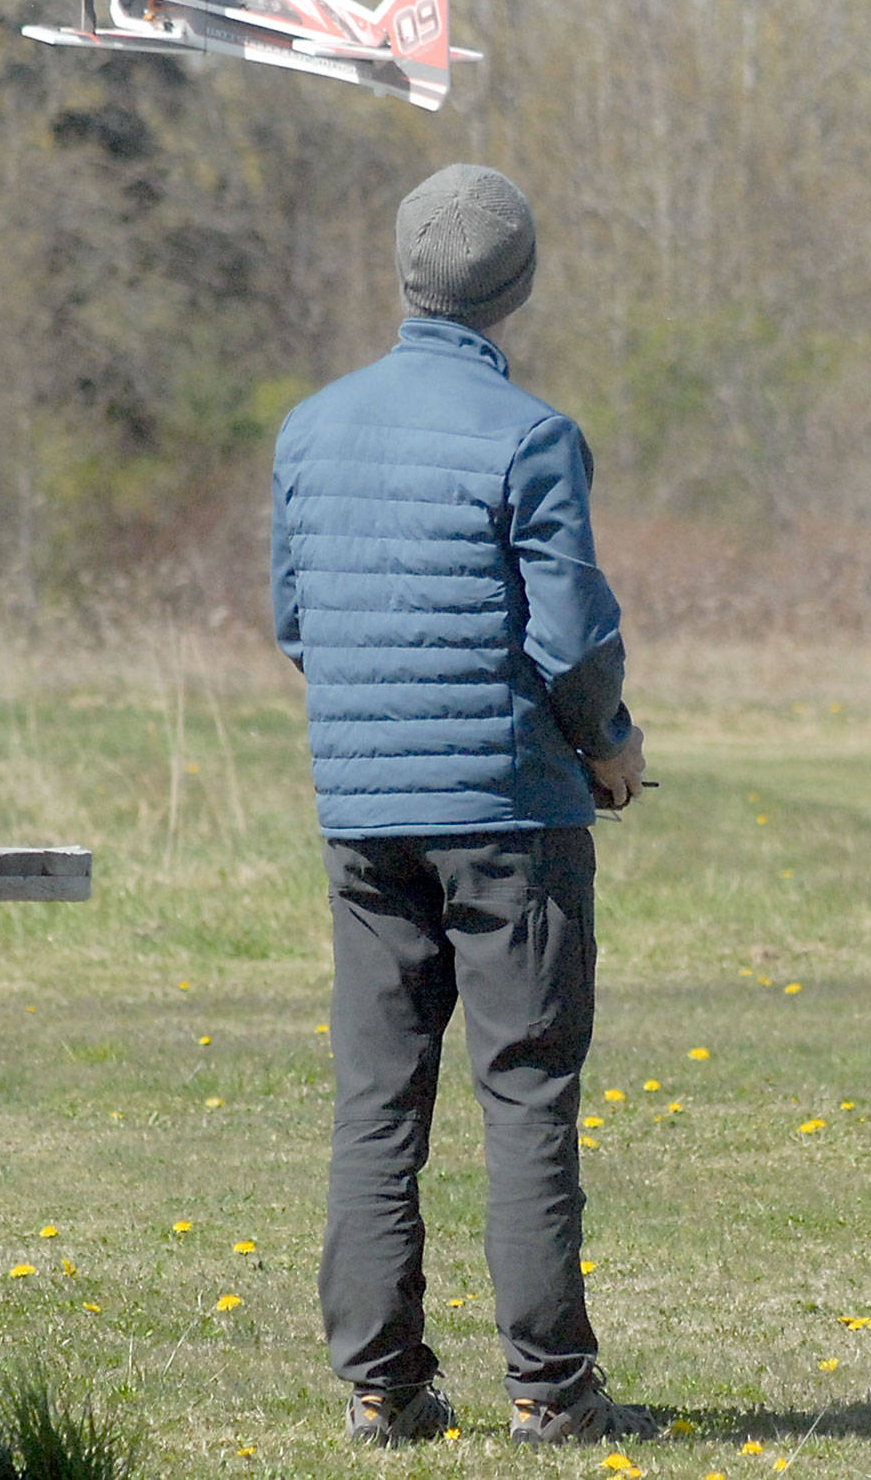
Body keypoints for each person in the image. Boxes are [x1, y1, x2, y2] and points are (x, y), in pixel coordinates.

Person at [270, 163, 655, 1449]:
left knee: (376, 1098)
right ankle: (550, 1386)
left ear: (404, 271)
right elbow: (572, 641)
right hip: (509, 819)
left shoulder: (307, 429)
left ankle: (381, 1386)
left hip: (362, 815)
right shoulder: (531, 435)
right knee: (525, 1089)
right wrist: (608, 746)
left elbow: (296, 621)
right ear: (515, 285)